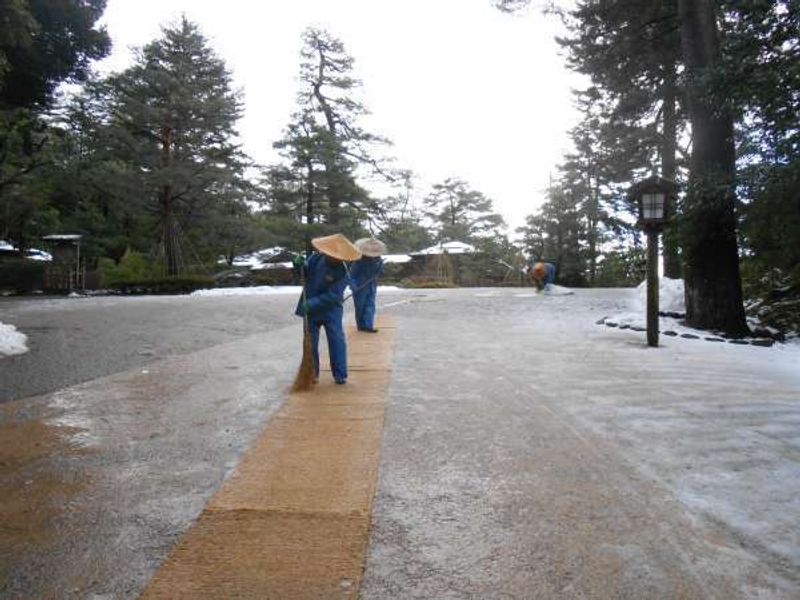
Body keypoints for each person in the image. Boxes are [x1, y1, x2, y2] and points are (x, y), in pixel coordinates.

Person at [295, 233, 362, 384]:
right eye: (332, 255)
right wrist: (299, 265)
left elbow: (333, 295)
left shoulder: (343, 270)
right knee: (310, 341)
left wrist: (311, 304)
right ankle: (312, 373)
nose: (335, 258)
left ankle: (340, 374)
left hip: (331, 310)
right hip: (310, 309)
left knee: (336, 339)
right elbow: (305, 272)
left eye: (338, 257)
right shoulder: (315, 258)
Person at [350, 238, 387, 332]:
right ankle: (361, 326)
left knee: (370, 305)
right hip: (359, 286)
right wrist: (353, 286)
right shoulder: (358, 261)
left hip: (371, 285)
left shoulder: (377, 260)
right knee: (360, 307)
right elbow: (352, 275)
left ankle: (368, 326)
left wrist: (380, 266)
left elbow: (380, 272)